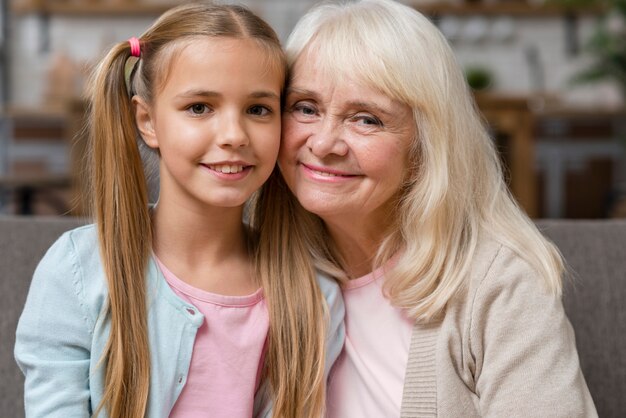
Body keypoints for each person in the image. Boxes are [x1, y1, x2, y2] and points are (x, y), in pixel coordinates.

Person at [15, 2, 343, 417]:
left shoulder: (314, 295)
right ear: (148, 121)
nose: (233, 135)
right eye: (199, 107)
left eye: (258, 109)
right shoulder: (77, 272)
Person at [272, 0, 598, 416]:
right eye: (305, 108)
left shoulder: (499, 283)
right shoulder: (260, 261)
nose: (322, 143)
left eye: (366, 119)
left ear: (425, 148)